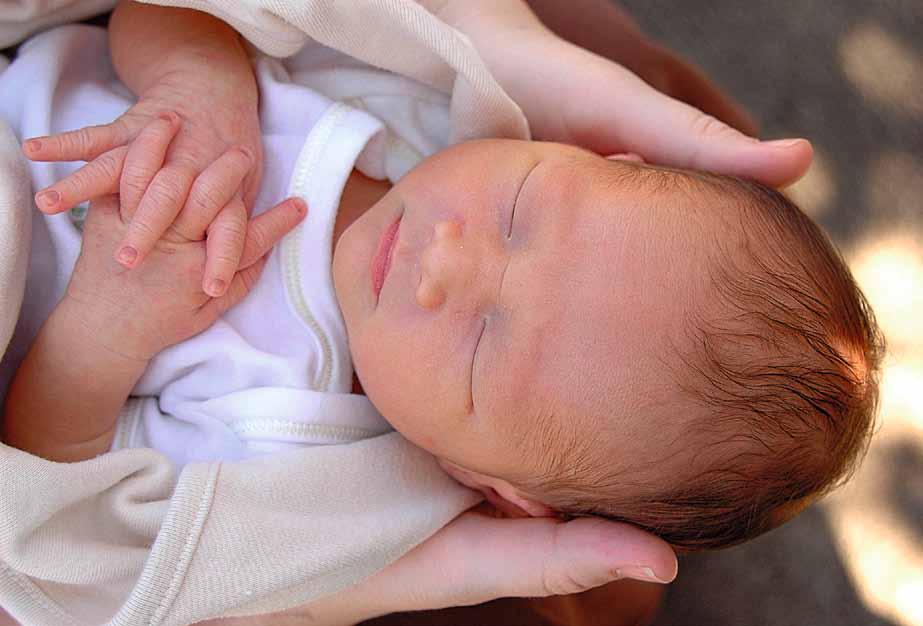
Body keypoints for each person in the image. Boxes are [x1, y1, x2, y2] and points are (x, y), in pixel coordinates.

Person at [0, 1, 832, 624]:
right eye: (518, 214)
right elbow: (157, 11)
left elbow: (50, 490)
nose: (445, 261)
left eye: (480, 342)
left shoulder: (286, 446)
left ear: (495, 488)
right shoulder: (410, 109)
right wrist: (198, 84)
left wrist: (103, 329)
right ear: (589, 153)